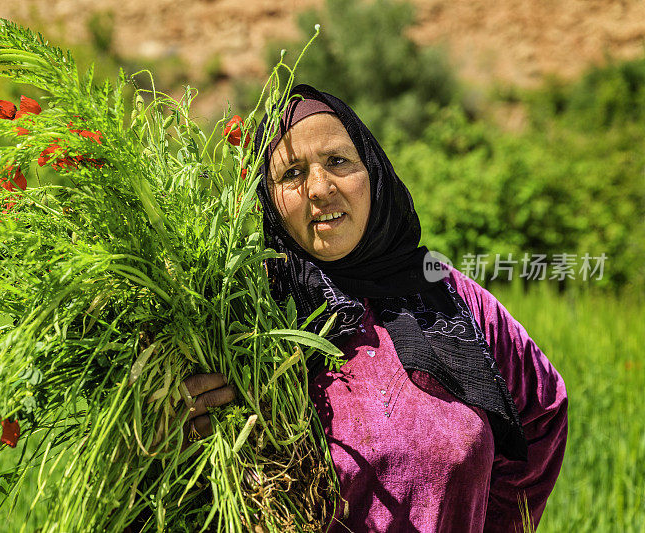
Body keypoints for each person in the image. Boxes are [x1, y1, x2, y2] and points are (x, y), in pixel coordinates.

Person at [182, 84, 568, 532]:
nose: (319, 189)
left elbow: (544, 409)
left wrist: (498, 522)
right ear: (269, 201)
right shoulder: (244, 324)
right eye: (291, 174)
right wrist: (182, 433)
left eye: (338, 162)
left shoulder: (448, 295)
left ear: (373, 170)